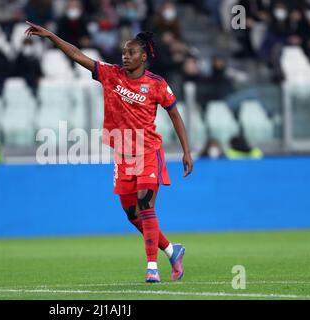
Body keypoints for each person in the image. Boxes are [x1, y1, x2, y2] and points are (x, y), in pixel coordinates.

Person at [25, 21, 193, 283]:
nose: (125, 56)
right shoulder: (111, 74)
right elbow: (77, 54)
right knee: (131, 213)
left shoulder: (157, 84)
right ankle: (173, 251)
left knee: (146, 205)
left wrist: (186, 151)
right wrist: (50, 36)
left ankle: (152, 268)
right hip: (123, 152)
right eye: (124, 52)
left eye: (131, 52)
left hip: (148, 150)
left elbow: (175, 115)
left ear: (144, 56)